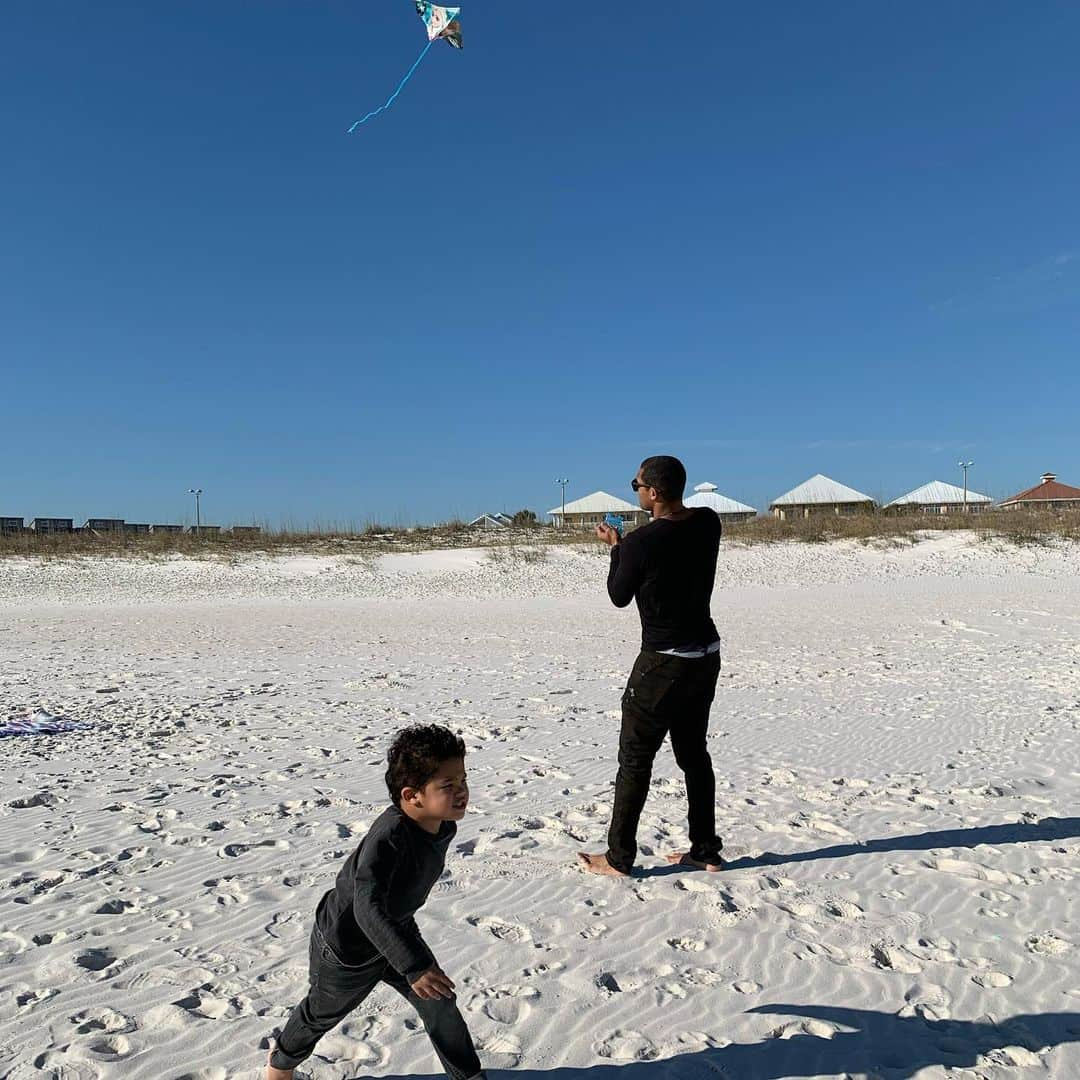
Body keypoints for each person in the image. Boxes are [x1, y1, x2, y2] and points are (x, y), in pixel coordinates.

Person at [267, 725, 486, 1080]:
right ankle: (280, 1064)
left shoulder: (441, 825)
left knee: (440, 1003)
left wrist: (408, 956)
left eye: (463, 780)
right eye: (448, 786)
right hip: (346, 948)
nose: (462, 792)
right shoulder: (389, 839)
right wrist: (414, 966)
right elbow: (365, 906)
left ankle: (468, 1076)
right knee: (321, 1013)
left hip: (395, 930)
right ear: (412, 796)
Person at [578, 455, 725, 878]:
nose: (636, 490)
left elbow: (618, 595)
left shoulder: (642, 542)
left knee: (635, 759)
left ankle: (619, 857)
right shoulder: (709, 522)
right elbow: (678, 537)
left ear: (654, 492)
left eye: (637, 485)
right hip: (705, 656)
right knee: (694, 756)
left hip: (662, 663)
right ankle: (705, 850)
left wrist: (616, 548)